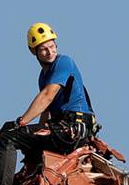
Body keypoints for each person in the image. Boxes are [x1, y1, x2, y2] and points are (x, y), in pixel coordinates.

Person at [15, 22, 98, 150]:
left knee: (9, 137)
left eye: (52, 46)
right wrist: (38, 129)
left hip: (73, 127)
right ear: (33, 51)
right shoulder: (43, 77)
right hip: (59, 127)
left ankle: (4, 171)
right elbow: (45, 111)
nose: (50, 52)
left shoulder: (64, 62)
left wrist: (21, 122)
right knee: (30, 147)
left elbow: (47, 97)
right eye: (44, 49)